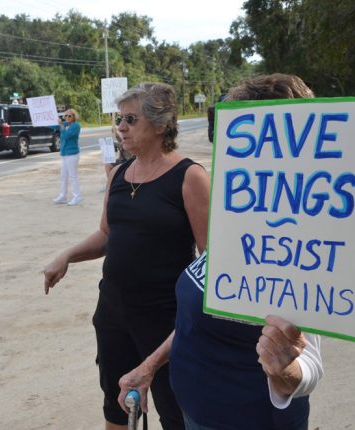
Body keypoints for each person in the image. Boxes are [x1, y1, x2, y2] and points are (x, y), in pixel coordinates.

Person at [116, 74, 323, 430]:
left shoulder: (295, 244)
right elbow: (196, 319)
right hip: (196, 411)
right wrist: (149, 366)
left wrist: (285, 371)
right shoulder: (237, 221)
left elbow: (310, 364)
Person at [44, 82, 210, 429]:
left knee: (174, 411)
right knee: (116, 405)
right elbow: (107, 234)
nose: (121, 127)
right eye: (119, 119)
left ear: (161, 125)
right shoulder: (119, 174)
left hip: (165, 318)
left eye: (131, 119)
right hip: (114, 313)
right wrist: (66, 256)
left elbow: (209, 260)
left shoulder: (189, 176)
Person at [52, 109, 82, 206]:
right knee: (64, 176)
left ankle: (77, 197)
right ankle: (63, 195)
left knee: (73, 176)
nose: (67, 118)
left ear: (74, 117)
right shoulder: (65, 124)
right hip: (65, 154)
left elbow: (67, 136)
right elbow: (52, 125)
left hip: (72, 154)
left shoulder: (76, 126)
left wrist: (61, 125)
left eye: (69, 116)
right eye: (66, 116)